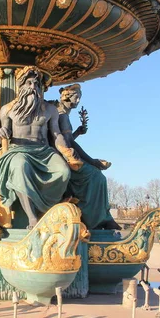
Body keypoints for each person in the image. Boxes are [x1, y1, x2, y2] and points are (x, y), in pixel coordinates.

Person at [0, 66, 70, 228]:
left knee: (64, 172)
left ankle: (46, 210)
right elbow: (3, 132)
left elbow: (56, 135)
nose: (33, 88)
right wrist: (1, 133)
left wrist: (67, 151)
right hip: (18, 150)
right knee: (20, 167)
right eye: (29, 83)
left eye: (36, 84)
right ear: (21, 86)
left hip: (44, 151)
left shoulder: (50, 110)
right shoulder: (8, 109)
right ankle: (32, 217)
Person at [53, 84, 121, 230]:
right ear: (66, 96)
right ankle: (95, 219)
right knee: (97, 176)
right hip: (61, 155)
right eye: (75, 97)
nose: (78, 101)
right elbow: (68, 143)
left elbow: (67, 139)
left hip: (62, 152)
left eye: (79, 98)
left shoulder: (61, 112)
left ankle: (101, 217)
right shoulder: (62, 114)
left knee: (97, 176)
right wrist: (92, 161)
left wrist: (77, 132)